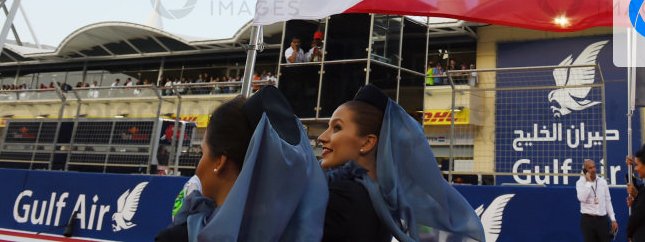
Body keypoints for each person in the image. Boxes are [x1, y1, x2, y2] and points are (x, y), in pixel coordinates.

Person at [154, 86, 326, 242]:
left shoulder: (186, 236)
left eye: (203, 153)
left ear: (220, 162)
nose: (199, 165)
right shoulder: (295, 232)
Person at [317, 84, 485, 242]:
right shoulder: (380, 198)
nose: (322, 137)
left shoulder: (341, 194)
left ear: (367, 143)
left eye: (337, 128)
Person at [576, 159, 617, 241]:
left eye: (594, 167)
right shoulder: (580, 183)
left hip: (602, 220)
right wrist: (588, 183)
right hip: (588, 220)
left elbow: (608, 201)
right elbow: (582, 198)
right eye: (590, 168)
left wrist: (613, 219)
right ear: (585, 170)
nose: (593, 170)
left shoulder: (602, 182)